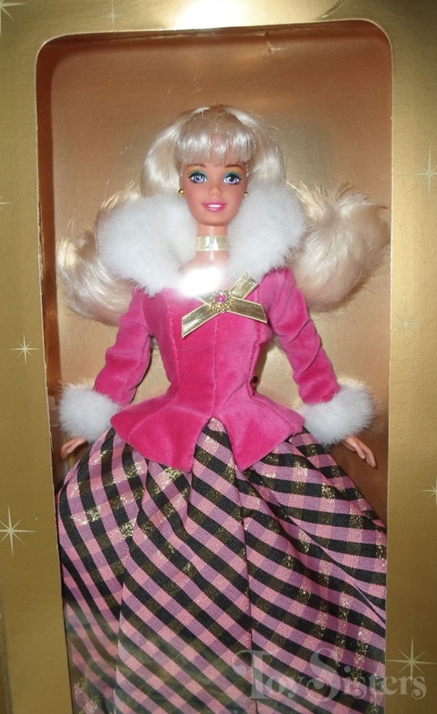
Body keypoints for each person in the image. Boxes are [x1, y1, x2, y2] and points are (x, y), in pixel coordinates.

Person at [57, 105, 387, 714]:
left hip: (252, 434)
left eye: (231, 175)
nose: (215, 189)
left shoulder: (269, 280)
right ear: (178, 185)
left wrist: (332, 412)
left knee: (297, 558)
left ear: (248, 185)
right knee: (89, 518)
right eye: (199, 175)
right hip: (169, 435)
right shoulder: (157, 283)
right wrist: (98, 414)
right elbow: (127, 355)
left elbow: (304, 348)